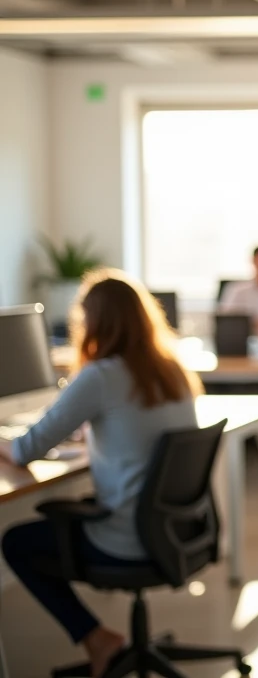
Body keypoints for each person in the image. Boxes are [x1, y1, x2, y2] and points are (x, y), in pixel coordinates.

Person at [0, 269, 200, 678]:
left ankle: (95, 636)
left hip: (126, 539)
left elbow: (24, 450)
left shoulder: (101, 375)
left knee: (16, 542)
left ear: (95, 322)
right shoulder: (171, 370)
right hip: (177, 532)